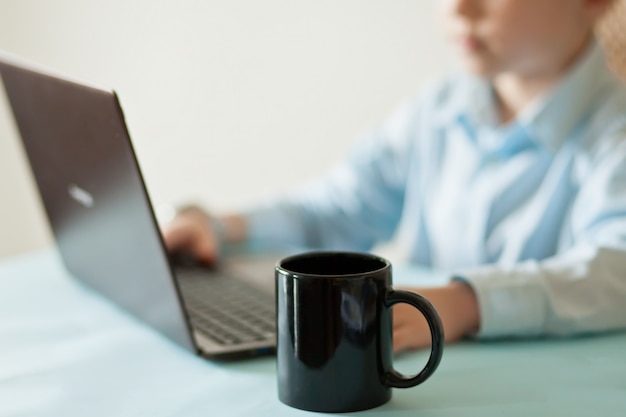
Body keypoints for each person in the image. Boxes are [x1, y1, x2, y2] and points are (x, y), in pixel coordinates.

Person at [162, 0, 626, 353]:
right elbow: (339, 210)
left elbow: (615, 271)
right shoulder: (438, 107)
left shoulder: (615, 132)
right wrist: (217, 227)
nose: (459, 9)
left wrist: (468, 304)